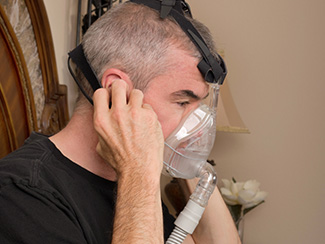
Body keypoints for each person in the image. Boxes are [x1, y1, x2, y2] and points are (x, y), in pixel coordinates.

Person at [0, 1, 240, 243]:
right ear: (118, 91)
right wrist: (139, 175)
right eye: (182, 102)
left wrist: (188, 160)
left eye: (199, 107)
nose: (197, 126)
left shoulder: (128, 181)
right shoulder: (23, 193)